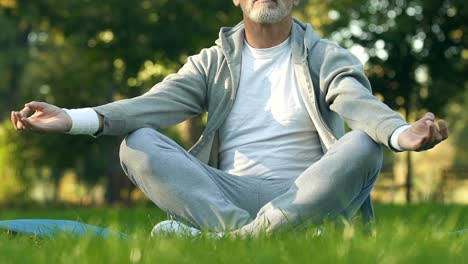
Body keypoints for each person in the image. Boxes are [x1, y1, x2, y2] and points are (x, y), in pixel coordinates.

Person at [11, 0, 448, 237]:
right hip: (223, 193)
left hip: (307, 191)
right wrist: (71, 117)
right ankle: (250, 234)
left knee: (364, 144)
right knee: (139, 143)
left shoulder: (326, 56)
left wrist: (400, 132)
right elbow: (149, 104)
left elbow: (357, 103)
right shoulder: (212, 63)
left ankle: (229, 238)